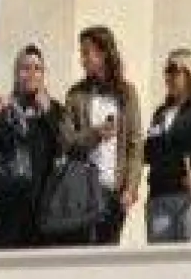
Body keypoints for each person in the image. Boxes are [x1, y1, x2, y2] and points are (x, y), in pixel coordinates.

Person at [0, 45, 64, 250]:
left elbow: (65, 148)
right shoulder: (1, 108)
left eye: (37, 68)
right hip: (3, 212)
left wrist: (48, 114)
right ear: (16, 73)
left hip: (40, 214)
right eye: (25, 68)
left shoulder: (54, 110)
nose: (31, 74)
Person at [60, 25, 144, 245]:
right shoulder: (75, 95)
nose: (83, 59)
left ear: (104, 53)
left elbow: (135, 145)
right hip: (83, 191)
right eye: (82, 53)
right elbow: (67, 141)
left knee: (108, 256)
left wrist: (131, 188)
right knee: (81, 254)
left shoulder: (127, 93)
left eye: (87, 52)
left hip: (114, 191)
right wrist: (95, 134)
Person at [143, 49, 191, 243]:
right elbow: (150, 151)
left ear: (189, 73)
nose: (167, 76)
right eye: (166, 71)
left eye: (173, 70)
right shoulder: (161, 113)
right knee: (161, 264)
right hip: (160, 194)